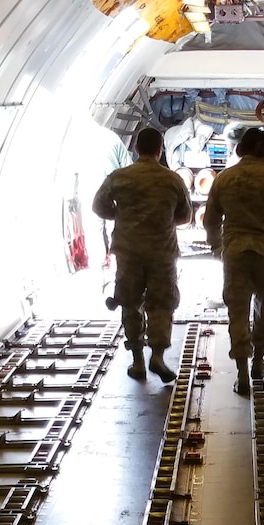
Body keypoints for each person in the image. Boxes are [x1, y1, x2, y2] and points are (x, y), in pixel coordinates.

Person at [202, 127, 264, 395]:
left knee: (237, 313)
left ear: (240, 149)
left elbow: (210, 220)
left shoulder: (225, 179)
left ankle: (242, 375)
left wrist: (218, 247)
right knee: (263, 310)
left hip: (235, 255)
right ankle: (258, 364)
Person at [92, 126, 192, 381]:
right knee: (161, 303)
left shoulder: (119, 176)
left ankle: (137, 361)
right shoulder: (172, 179)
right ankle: (157, 356)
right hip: (162, 252)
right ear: (160, 150)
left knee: (130, 302)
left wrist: (121, 216)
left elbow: (98, 205)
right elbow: (185, 216)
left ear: (135, 148)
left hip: (129, 251)